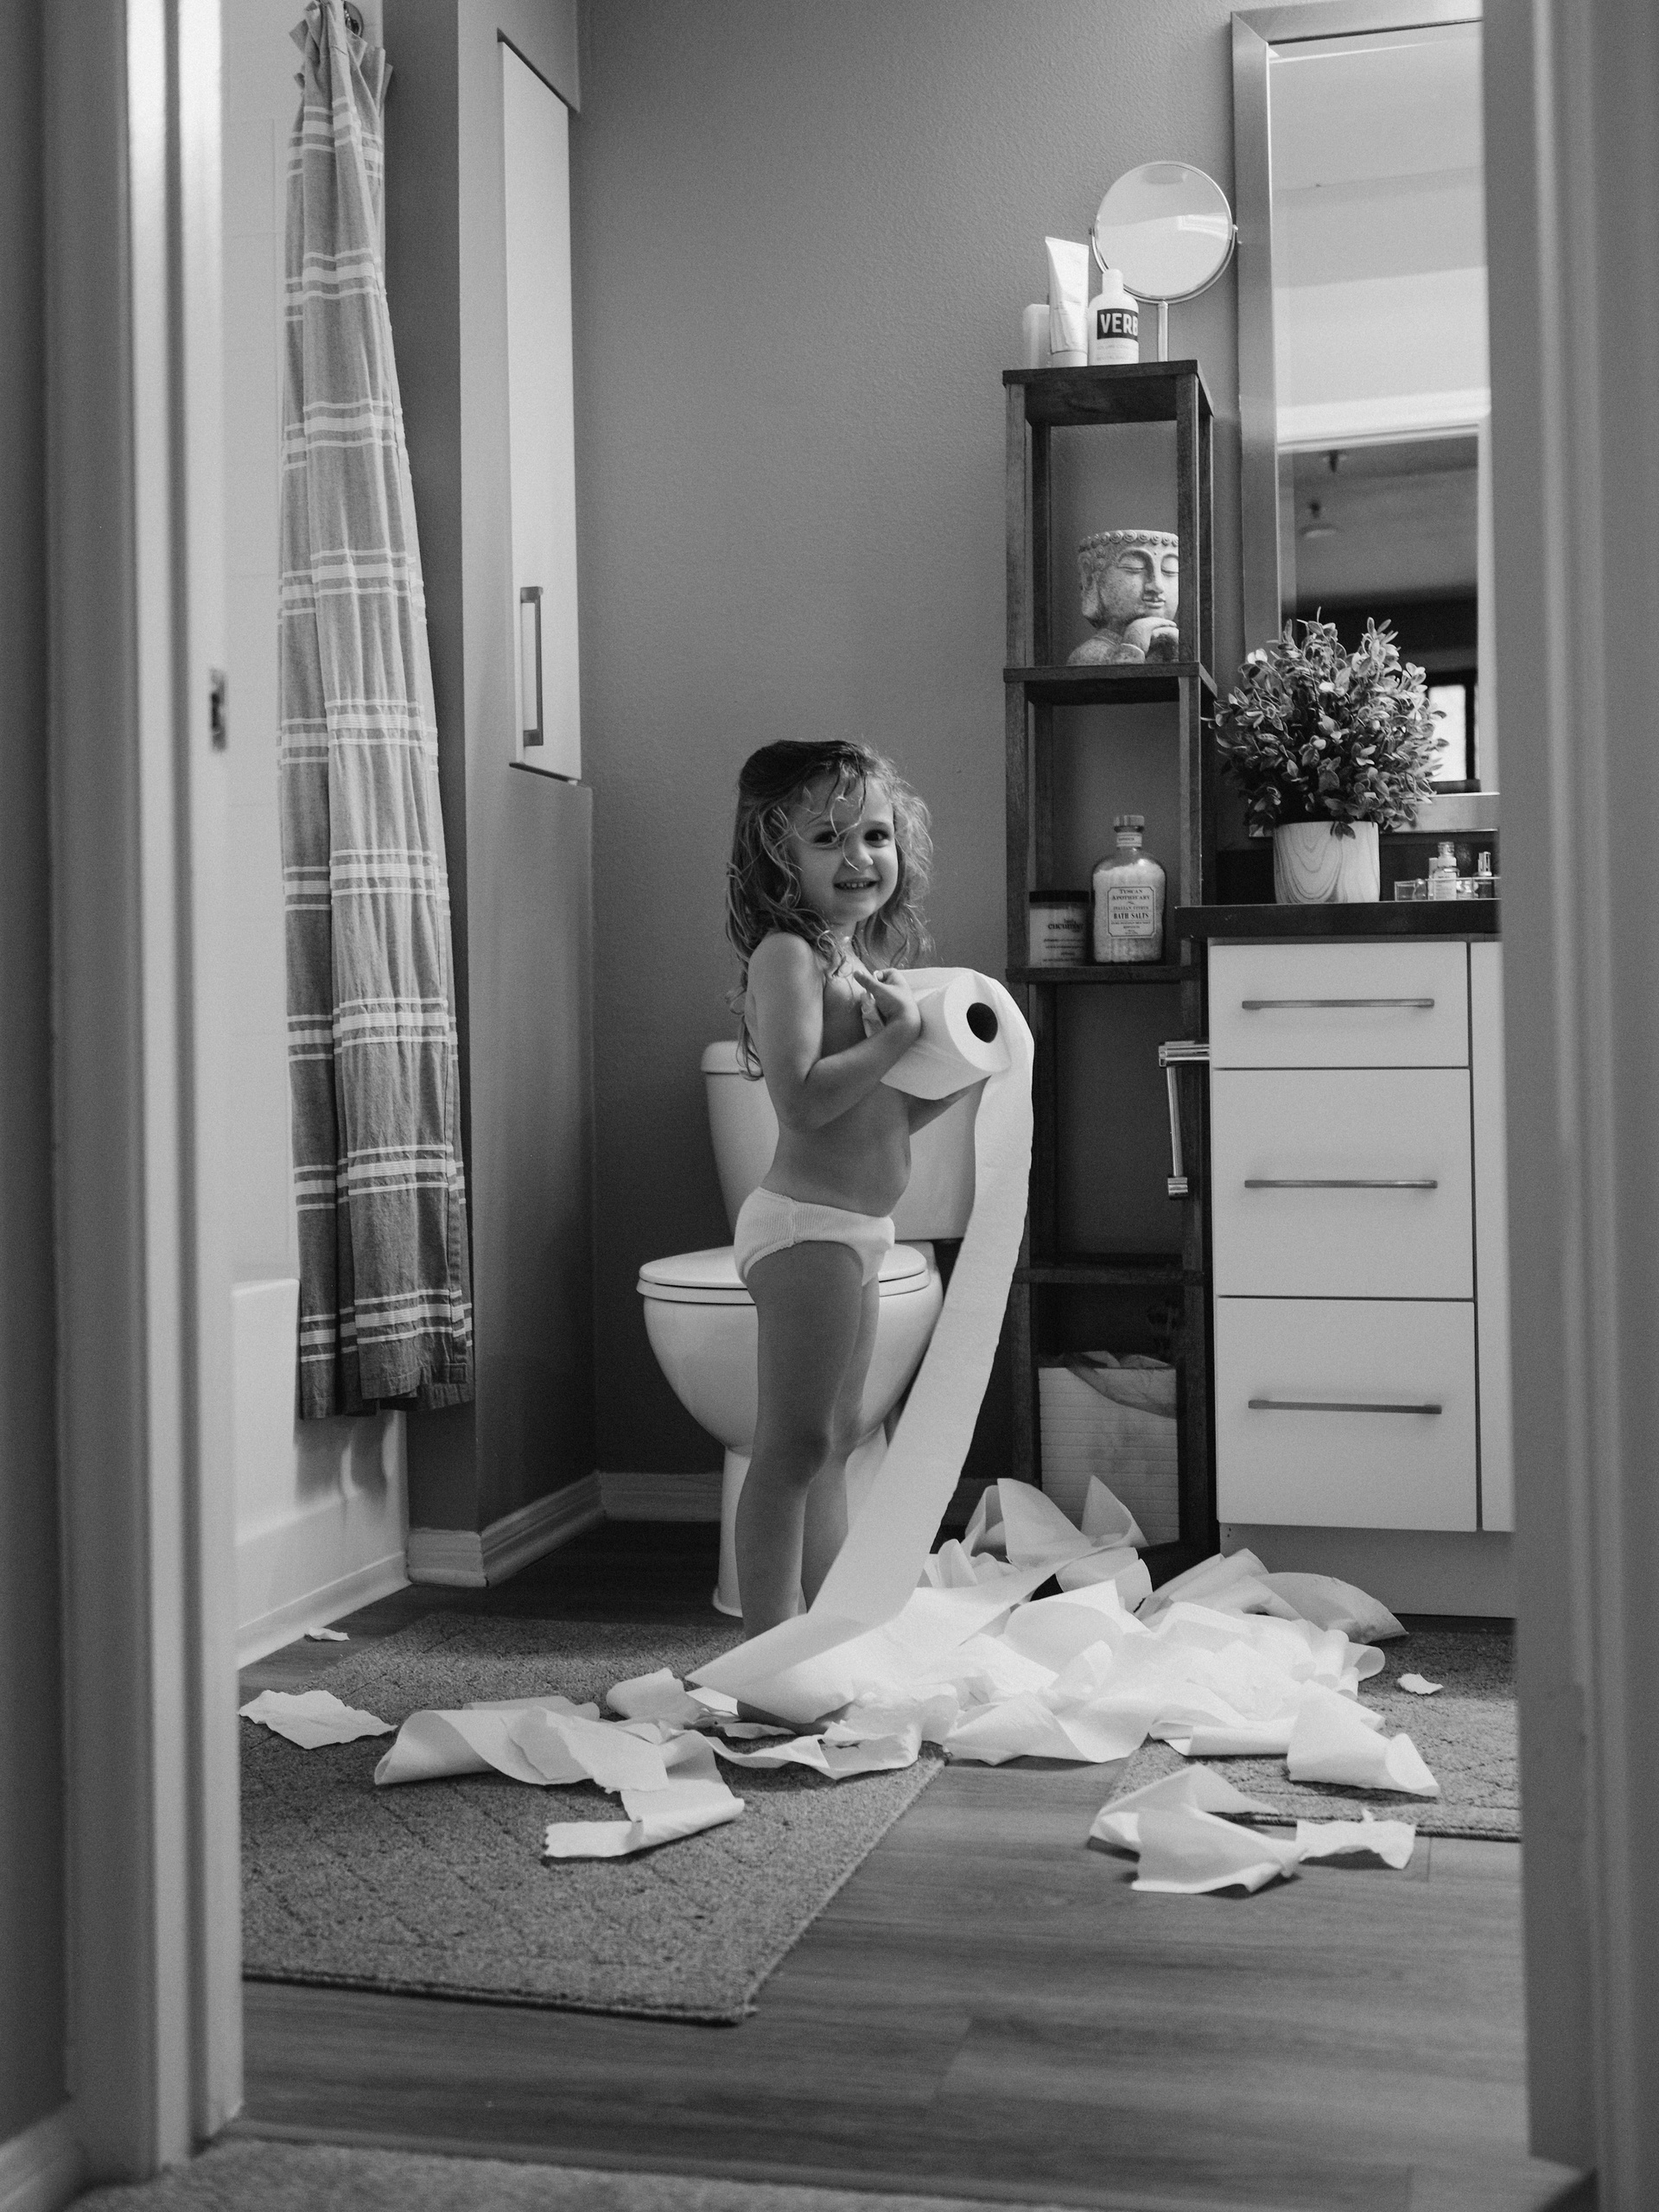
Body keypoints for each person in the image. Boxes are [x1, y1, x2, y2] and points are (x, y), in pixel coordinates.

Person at [723, 738, 972, 1639]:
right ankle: (767, 1651)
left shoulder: (854, 959)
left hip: (858, 1232)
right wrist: (895, 1041)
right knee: (792, 1448)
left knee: (832, 1444)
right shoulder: (788, 956)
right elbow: (801, 1099)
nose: (859, 856)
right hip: (806, 1230)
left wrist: (954, 1075)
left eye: (874, 834)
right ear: (779, 855)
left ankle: (827, 1634)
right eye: (827, 838)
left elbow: (880, 1116)